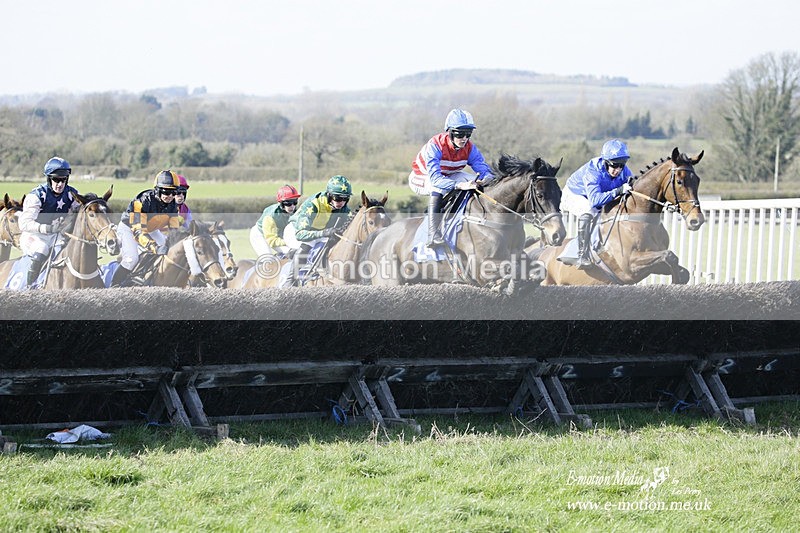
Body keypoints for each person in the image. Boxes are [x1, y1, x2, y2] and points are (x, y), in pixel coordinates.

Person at [409, 108, 495, 246]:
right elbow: (436, 179)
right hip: (422, 177)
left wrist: (487, 178)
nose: (464, 139)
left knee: (473, 181)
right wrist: (459, 185)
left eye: (468, 134)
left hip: (448, 175)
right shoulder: (435, 146)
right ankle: (433, 234)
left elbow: (482, 167)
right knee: (437, 187)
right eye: (460, 134)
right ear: (450, 133)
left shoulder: (469, 148)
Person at [560, 139, 634, 268]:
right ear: (606, 162)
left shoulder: (625, 171)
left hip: (594, 196)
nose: (618, 169)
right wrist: (618, 191)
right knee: (589, 210)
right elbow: (595, 201)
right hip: (574, 194)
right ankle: (582, 255)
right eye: (615, 165)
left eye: (622, 165)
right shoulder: (593, 171)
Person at [277, 175, 352, 287]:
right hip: (295, 231)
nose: (342, 202)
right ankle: (290, 282)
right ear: (329, 195)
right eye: (338, 198)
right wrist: (324, 233)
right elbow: (300, 234)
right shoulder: (313, 204)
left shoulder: (344, 209)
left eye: (345, 199)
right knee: (308, 244)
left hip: (320, 232)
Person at [111, 170, 182, 287]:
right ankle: (114, 286)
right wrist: (155, 247)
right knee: (131, 259)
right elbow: (138, 232)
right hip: (130, 228)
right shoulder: (142, 201)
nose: (170, 196)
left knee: (169, 251)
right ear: (158, 190)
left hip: (150, 229)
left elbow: (174, 231)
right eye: (166, 191)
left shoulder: (173, 206)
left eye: (174, 192)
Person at [18, 157, 81, 288]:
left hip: (56, 236)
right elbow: (23, 224)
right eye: (56, 179)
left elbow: (80, 212)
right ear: (49, 179)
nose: (60, 184)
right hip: (34, 236)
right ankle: (30, 287)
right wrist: (46, 228)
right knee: (42, 249)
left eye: (63, 180)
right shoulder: (37, 196)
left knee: (68, 251)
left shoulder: (71, 194)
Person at [250, 184, 302, 257]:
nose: (292, 206)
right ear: (281, 203)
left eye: (295, 202)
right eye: (288, 203)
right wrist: (289, 242)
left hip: (278, 236)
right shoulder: (270, 216)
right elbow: (272, 241)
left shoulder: (296, 213)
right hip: (261, 236)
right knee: (269, 259)